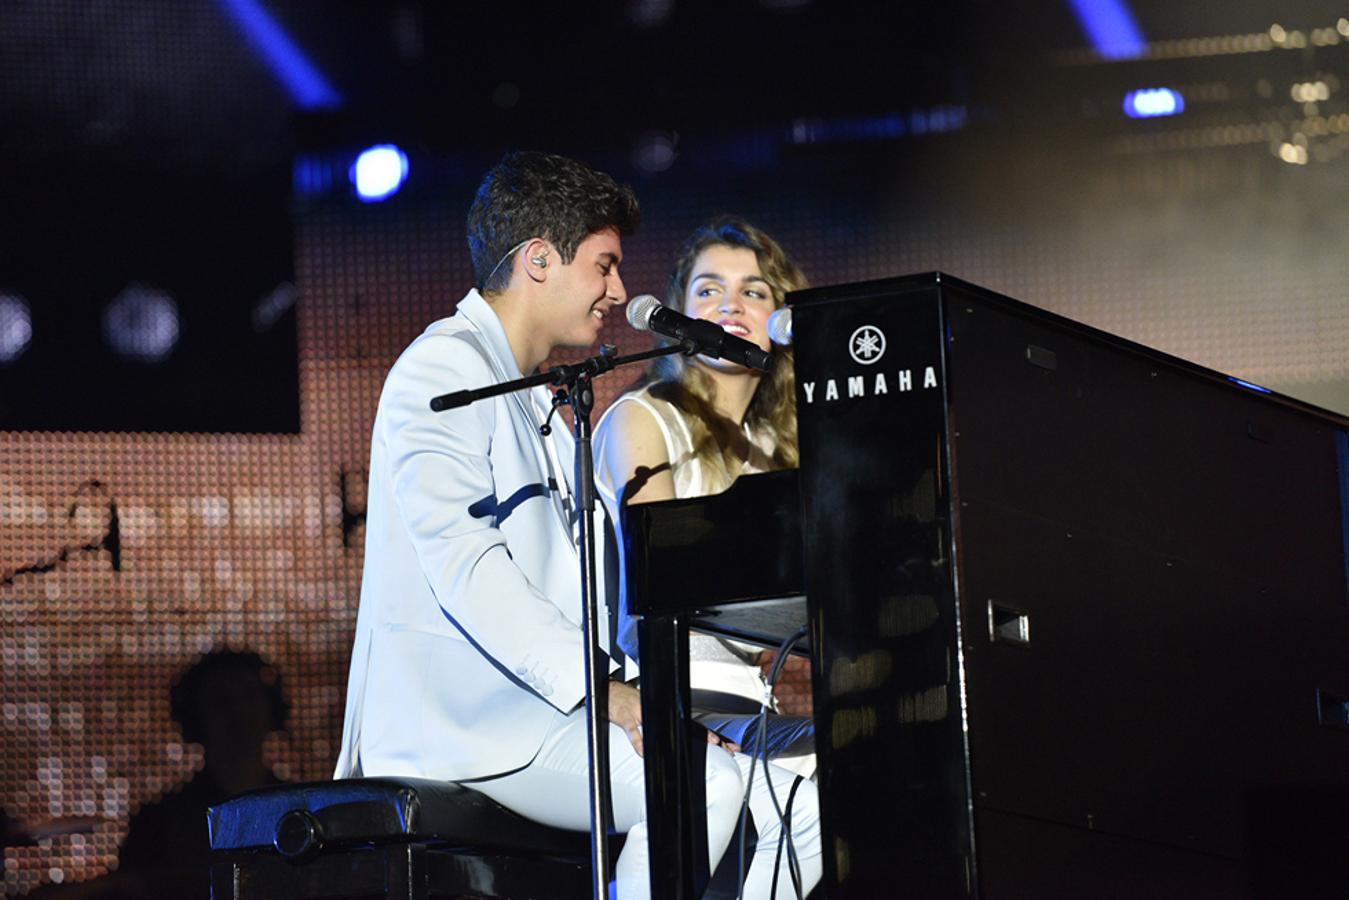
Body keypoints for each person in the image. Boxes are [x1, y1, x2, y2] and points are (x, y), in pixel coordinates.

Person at [333, 153, 821, 899]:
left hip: (534, 709)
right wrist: (608, 690)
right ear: (538, 261)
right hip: (459, 722)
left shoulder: (552, 413)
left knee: (731, 778)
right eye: (603, 266)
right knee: (698, 785)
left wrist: (645, 696)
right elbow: (467, 565)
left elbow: (588, 599)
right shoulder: (441, 368)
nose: (619, 292)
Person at [594, 217, 815, 775]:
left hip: (753, 700)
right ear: (682, 313)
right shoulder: (643, 418)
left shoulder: (781, 447)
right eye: (709, 289)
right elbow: (667, 579)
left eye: (753, 291)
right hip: (663, 691)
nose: (730, 306)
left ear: (784, 319)